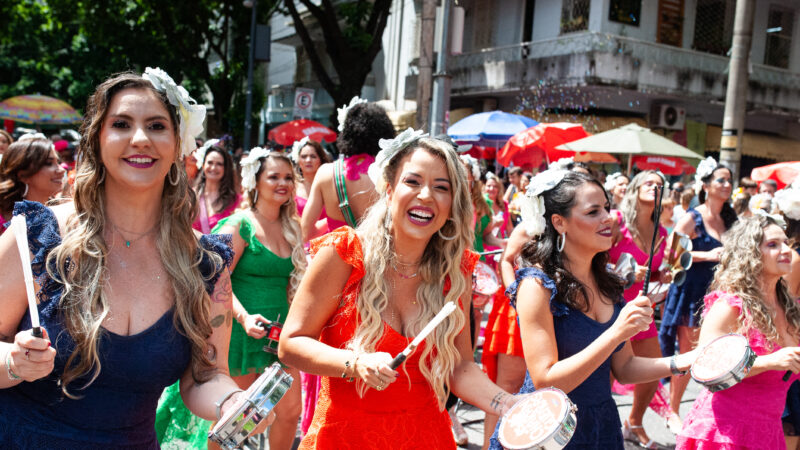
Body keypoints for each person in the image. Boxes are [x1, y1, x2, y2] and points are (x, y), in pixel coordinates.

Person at [0, 69, 251, 448]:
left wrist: (230, 400)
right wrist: (12, 363)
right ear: (98, 139)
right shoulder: (36, 235)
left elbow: (206, 375)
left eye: (156, 126)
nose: (140, 139)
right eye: (121, 124)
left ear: (177, 145)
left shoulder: (205, 264)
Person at [279, 131, 519, 449]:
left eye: (441, 187)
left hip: (426, 435)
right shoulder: (344, 253)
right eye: (413, 182)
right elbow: (292, 343)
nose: (426, 195)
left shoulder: (456, 271)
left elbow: (461, 367)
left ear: (451, 204)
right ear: (390, 189)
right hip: (345, 436)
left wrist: (510, 405)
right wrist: (354, 363)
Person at [488, 168, 695, 450]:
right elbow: (546, 379)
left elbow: (625, 367)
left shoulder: (608, 283)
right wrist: (616, 333)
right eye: (593, 211)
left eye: (607, 209)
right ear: (560, 222)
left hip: (601, 426)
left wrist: (685, 361)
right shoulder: (537, 286)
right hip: (550, 430)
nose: (607, 218)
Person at [677, 216, 800, 449]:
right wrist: (768, 361)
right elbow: (705, 365)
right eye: (773, 245)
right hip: (725, 431)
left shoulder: (789, 307)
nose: (786, 250)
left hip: (768, 432)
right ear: (751, 253)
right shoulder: (730, 305)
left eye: (786, 243)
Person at [214, 149, 306, 449]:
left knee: (290, 413)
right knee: (234, 421)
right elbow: (215, 279)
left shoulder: (293, 227)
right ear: (255, 182)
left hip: (281, 337)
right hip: (241, 334)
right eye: (274, 177)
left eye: (288, 178)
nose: (283, 183)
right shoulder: (239, 225)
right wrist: (242, 316)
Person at [659, 157, 736, 433]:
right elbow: (672, 253)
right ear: (705, 186)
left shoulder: (731, 218)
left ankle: (703, 411)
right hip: (692, 293)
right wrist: (706, 255)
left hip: (719, 295)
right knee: (690, 354)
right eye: (721, 180)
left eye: (729, 180)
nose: (727, 185)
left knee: (713, 354)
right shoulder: (693, 216)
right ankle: (672, 410)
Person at [609, 171, 670, 449]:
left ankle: (634, 422)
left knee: (652, 371)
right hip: (611, 307)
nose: (655, 187)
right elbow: (592, 261)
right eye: (648, 183)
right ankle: (600, 429)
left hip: (642, 310)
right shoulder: (616, 222)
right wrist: (627, 272)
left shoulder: (663, 232)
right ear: (634, 189)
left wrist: (663, 277)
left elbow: (652, 272)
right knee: (603, 377)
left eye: (660, 185)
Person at [300, 101, 395, 241]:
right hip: (378, 258)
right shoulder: (392, 173)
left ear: (347, 132)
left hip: (336, 259)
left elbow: (306, 232)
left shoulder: (326, 173)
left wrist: (333, 220)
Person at [0, 135, 65, 235]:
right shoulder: (4, 218)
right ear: (23, 175)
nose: (61, 170)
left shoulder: (61, 213)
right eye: (48, 163)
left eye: (58, 162)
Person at [192, 139, 241, 233]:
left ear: (226, 168)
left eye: (219, 164)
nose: (213, 168)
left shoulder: (236, 201)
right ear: (203, 165)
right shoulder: (190, 196)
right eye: (210, 163)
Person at [292, 137, 331, 241]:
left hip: (329, 242)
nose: (308, 160)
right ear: (299, 161)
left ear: (320, 160)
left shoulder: (331, 186)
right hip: (300, 241)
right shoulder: (291, 187)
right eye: (304, 156)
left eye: (313, 156)